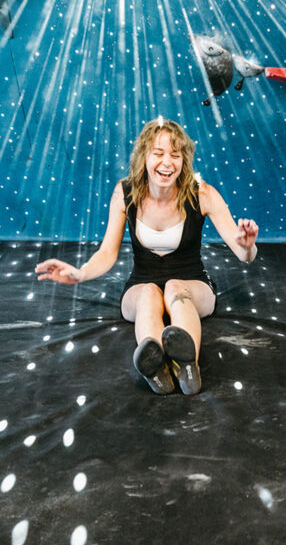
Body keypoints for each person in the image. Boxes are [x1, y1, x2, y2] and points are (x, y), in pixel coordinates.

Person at [35, 117, 259, 396]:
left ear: (183, 160)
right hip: (141, 284)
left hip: (192, 283)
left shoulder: (203, 194)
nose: (167, 163)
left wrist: (247, 244)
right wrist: (80, 274)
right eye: (159, 153)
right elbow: (107, 252)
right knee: (150, 294)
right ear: (144, 156)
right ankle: (157, 369)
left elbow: (244, 255)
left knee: (176, 287)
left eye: (175, 155)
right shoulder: (125, 192)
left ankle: (188, 367)